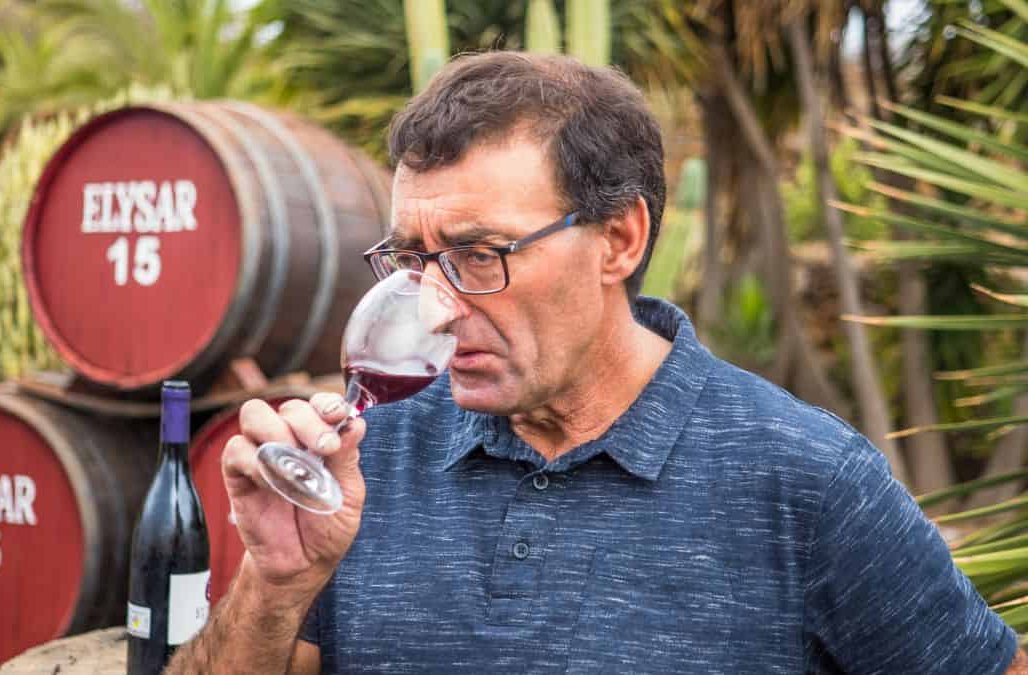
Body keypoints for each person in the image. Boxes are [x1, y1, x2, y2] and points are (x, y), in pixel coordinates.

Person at [168, 51, 1027, 674]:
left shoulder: (809, 480)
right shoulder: (371, 454)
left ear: (619, 239)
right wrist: (276, 583)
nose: (432, 305)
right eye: (413, 258)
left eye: (478, 254)